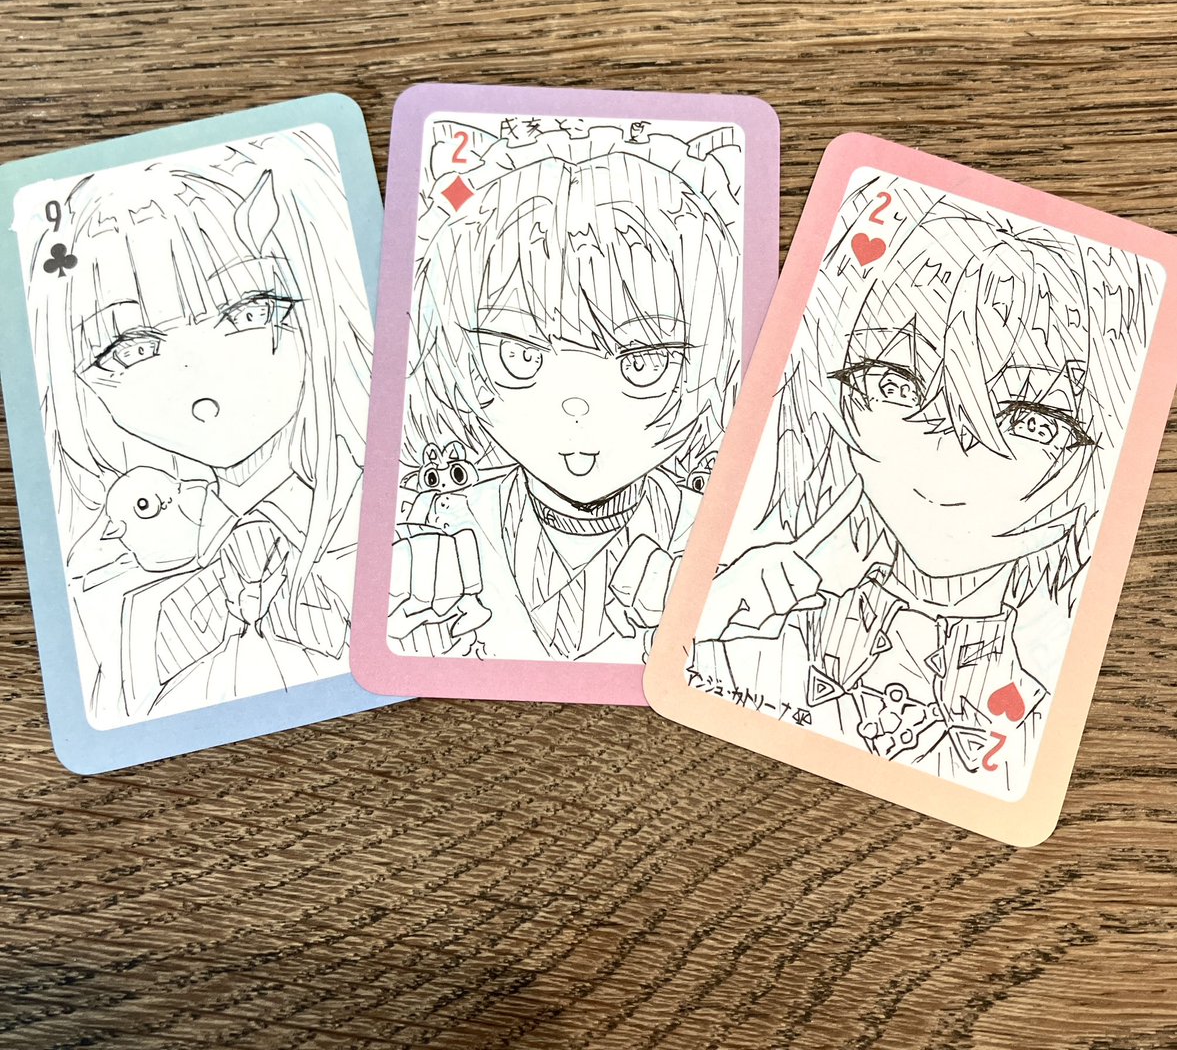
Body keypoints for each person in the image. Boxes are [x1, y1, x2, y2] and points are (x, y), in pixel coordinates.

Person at [690, 193, 1161, 793]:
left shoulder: (1051, 705)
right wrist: (709, 622)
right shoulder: (765, 629)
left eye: (1031, 421)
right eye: (896, 384)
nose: (947, 454)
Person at [26, 129, 372, 726]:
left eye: (250, 311)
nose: (204, 392)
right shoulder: (104, 574)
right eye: (131, 349)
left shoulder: (392, 511)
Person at [389, 142, 742, 663]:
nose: (577, 406)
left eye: (642, 362)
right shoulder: (444, 524)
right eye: (520, 356)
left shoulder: (717, 540)